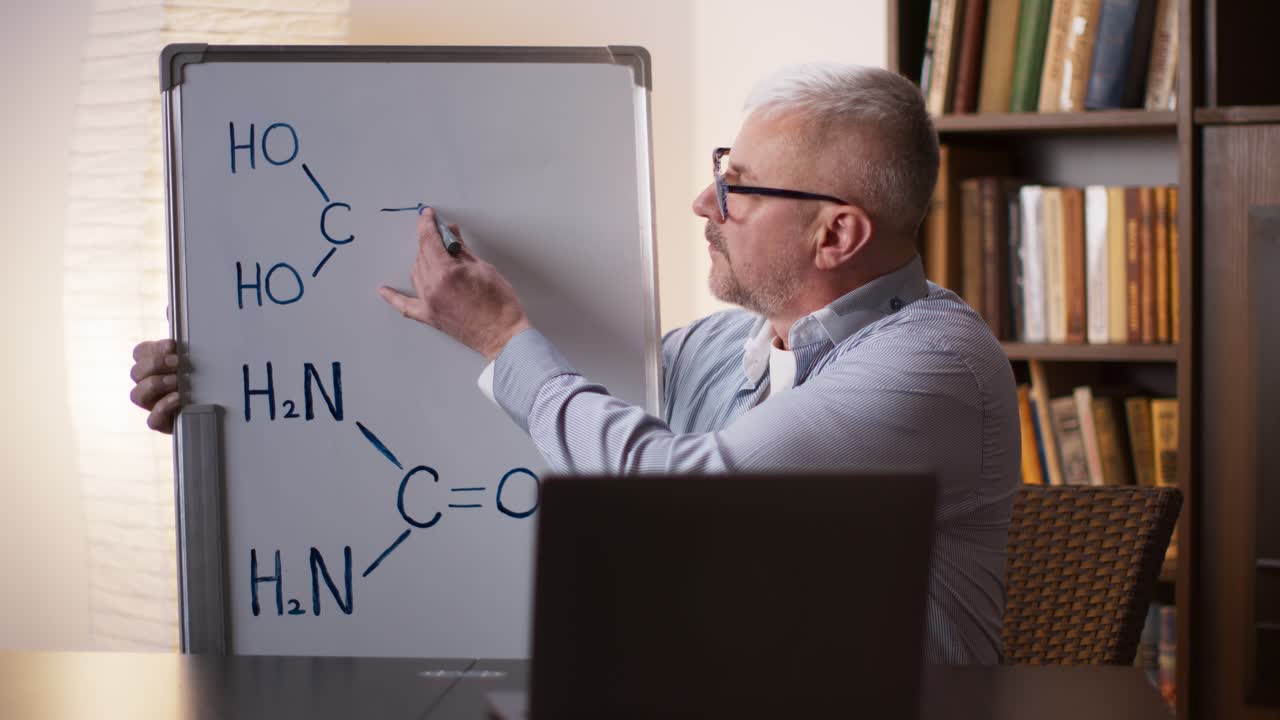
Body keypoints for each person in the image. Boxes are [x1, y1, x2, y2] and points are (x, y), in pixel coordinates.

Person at [130, 63, 1019, 664]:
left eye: (740, 185)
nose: (704, 200)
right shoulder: (714, 352)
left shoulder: (932, 362)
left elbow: (676, 489)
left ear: (837, 232)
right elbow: (545, 407)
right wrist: (229, 364)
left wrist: (503, 338)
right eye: (722, 168)